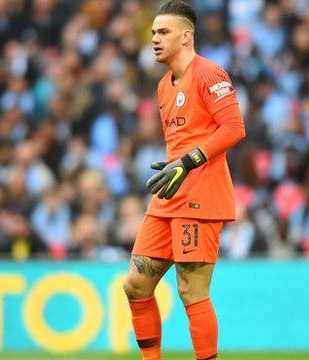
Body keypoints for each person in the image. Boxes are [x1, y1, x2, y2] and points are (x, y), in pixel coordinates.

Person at [122, 1, 246, 359]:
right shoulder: (164, 86)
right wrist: (175, 164)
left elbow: (235, 128)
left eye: (163, 32)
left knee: (191, 290)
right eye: (153, 34)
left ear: (186, 36)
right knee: (136, 283)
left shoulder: (210, 74)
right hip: (169, 193)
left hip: (202, 195)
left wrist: (188, 162)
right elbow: (185, 137)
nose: (155, 40)